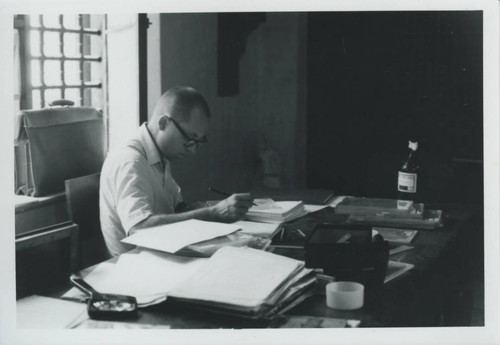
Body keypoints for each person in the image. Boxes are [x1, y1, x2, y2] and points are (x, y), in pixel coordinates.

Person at [100, 86, 253, 256]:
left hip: (160, 253)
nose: (192, 150)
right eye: (189, 139)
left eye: (198, 141)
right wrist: (213, 213)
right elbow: (139, 228)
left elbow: (175, 209)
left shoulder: (158, 152)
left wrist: (210, 208)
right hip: (135, 265)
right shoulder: (131, 160)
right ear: (163, 123)